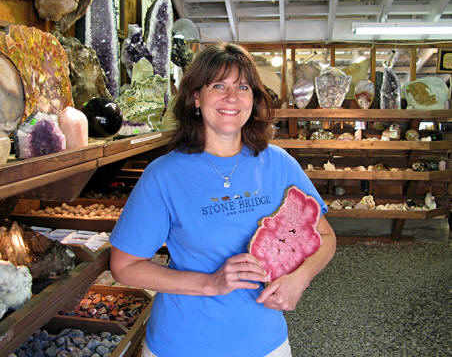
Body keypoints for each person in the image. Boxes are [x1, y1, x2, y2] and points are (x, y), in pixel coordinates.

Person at [109, 42, 336, 357]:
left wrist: (300, 278)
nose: (232, 97)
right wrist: (210, 284)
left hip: (265, 344)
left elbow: (326, 237)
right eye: (219, 85)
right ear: (196, 97)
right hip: (182, 345)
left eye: (243, 87)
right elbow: (124, 266)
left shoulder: (279, 164)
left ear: (253, 100)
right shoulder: (163, 176)